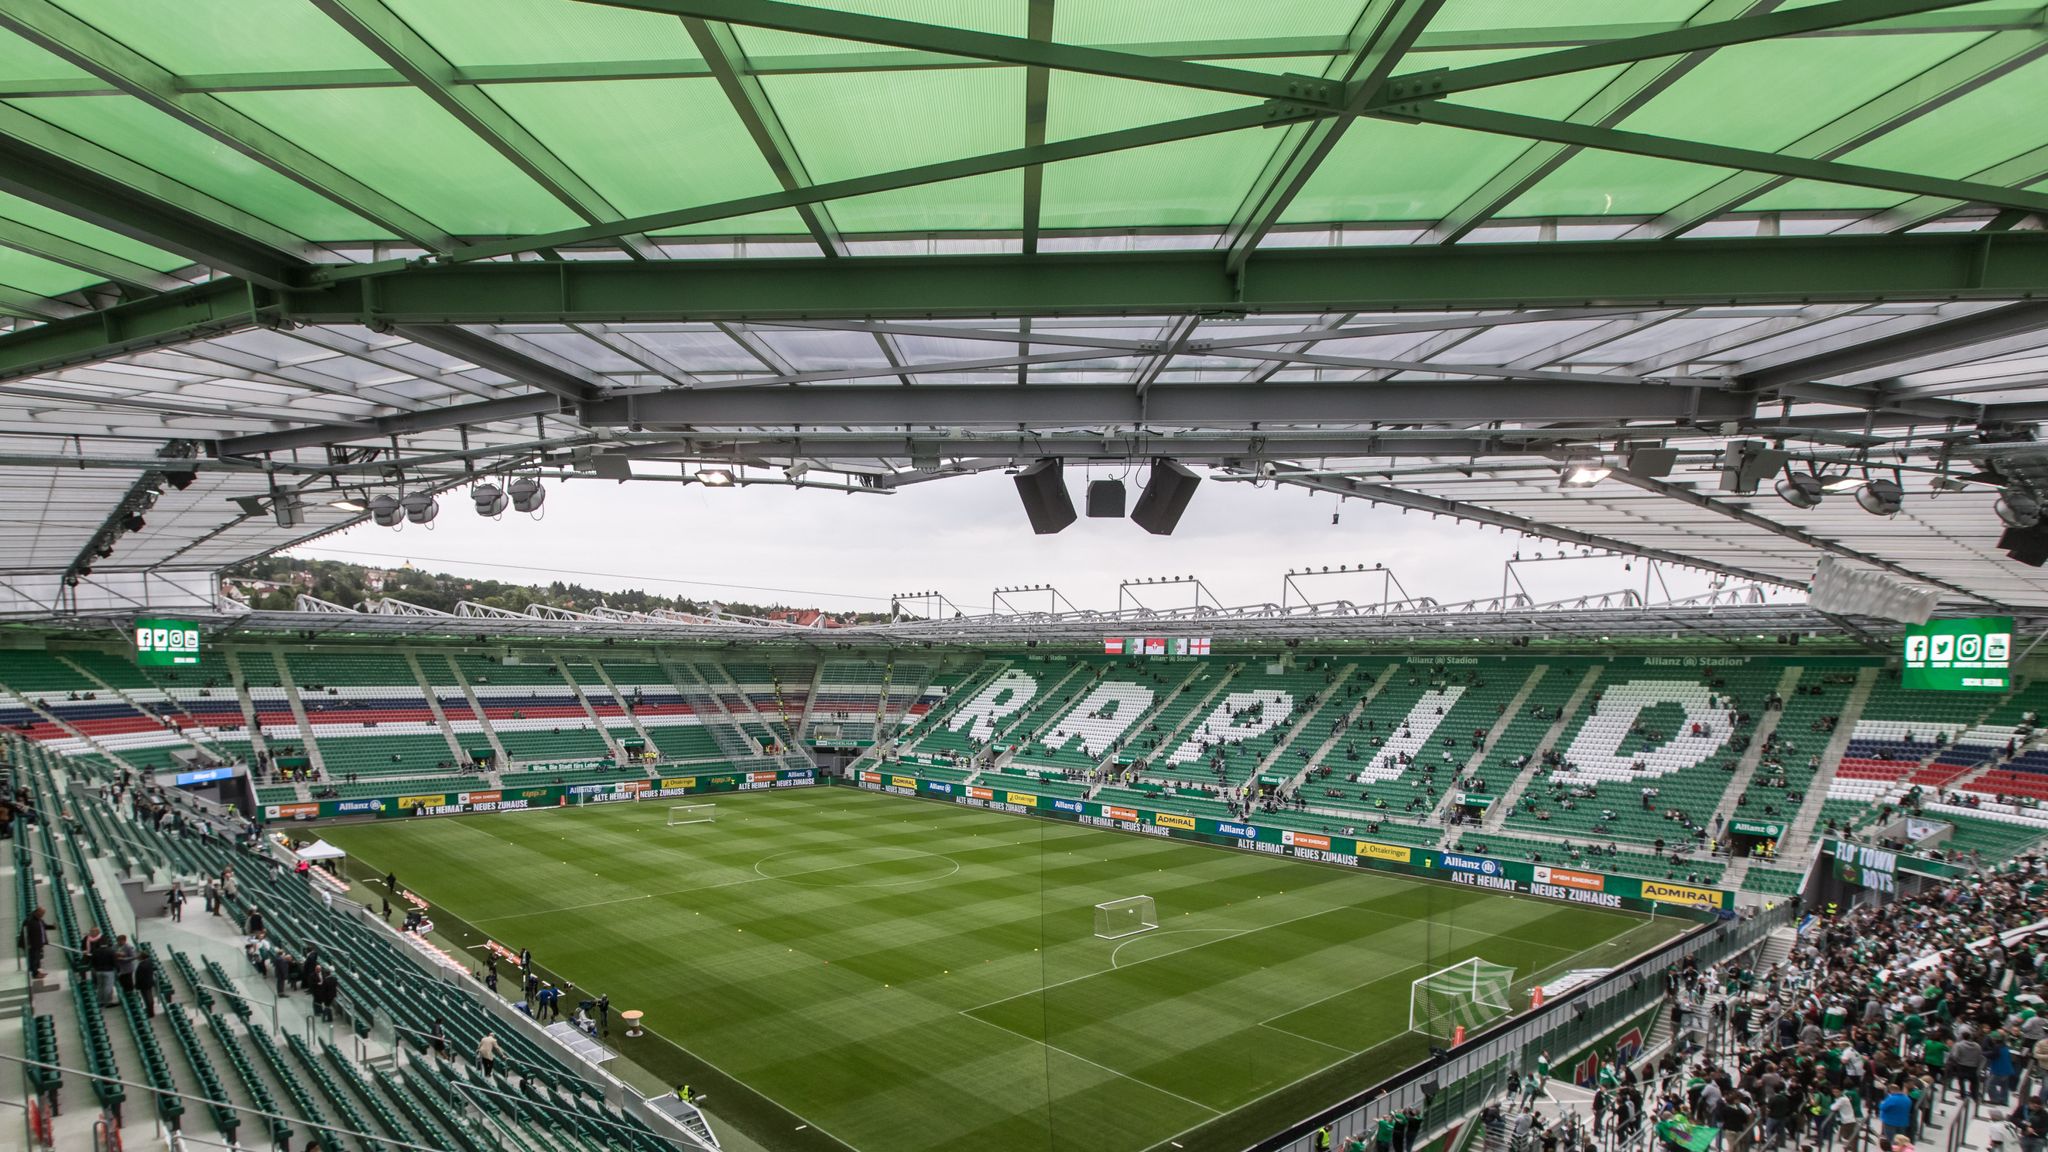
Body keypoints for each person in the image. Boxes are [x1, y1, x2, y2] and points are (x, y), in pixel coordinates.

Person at [18, 906, 47, 979]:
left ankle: (38, 972)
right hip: (32, 944)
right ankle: (35, 974)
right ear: (37, 911)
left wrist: (53, 926)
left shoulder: (39, 920)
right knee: (33, 959)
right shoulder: (29, 920)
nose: (42, 915)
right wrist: (28, 943)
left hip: (38, 943)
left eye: (43, 913)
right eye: (41, 913)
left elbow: (44, 927)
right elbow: (25, 933)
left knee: (37, 959)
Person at [135, 949, 159, 1018]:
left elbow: (139, 977)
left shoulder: (141, 965)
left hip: (143, 984)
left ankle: (150, 1013)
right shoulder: (149, 962)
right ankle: (151, 1011)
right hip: (149, 982)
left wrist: (137, 985)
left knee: (147, 999)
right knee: (150, 997)